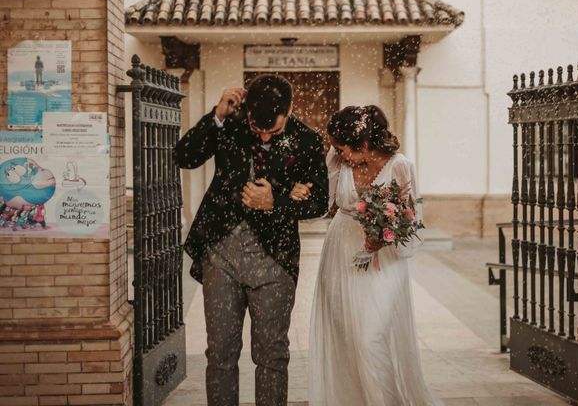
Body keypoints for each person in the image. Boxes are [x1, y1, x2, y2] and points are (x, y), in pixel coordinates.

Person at [173, 74, 328, 406]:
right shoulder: (230, 125)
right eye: (258, 129)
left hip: (275, 259)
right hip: (220, 255)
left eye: (273, 130)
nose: (264, 135)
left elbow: (319, 204)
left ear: (289, 110)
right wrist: (216, 115)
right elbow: (184, 156)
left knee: (272, 354)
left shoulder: (307, 140)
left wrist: (278, 202)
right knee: (220, 353)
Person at [305, 105, 442, 406]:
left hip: (386, 259)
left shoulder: (400, 166)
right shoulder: (338, 162)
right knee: (346, 335)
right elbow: (318, 205)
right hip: (340, 251)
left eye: (343, 149)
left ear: (364, 145)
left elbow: (414, 223)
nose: (339, 155)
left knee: (370, 336)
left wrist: (385, 236)